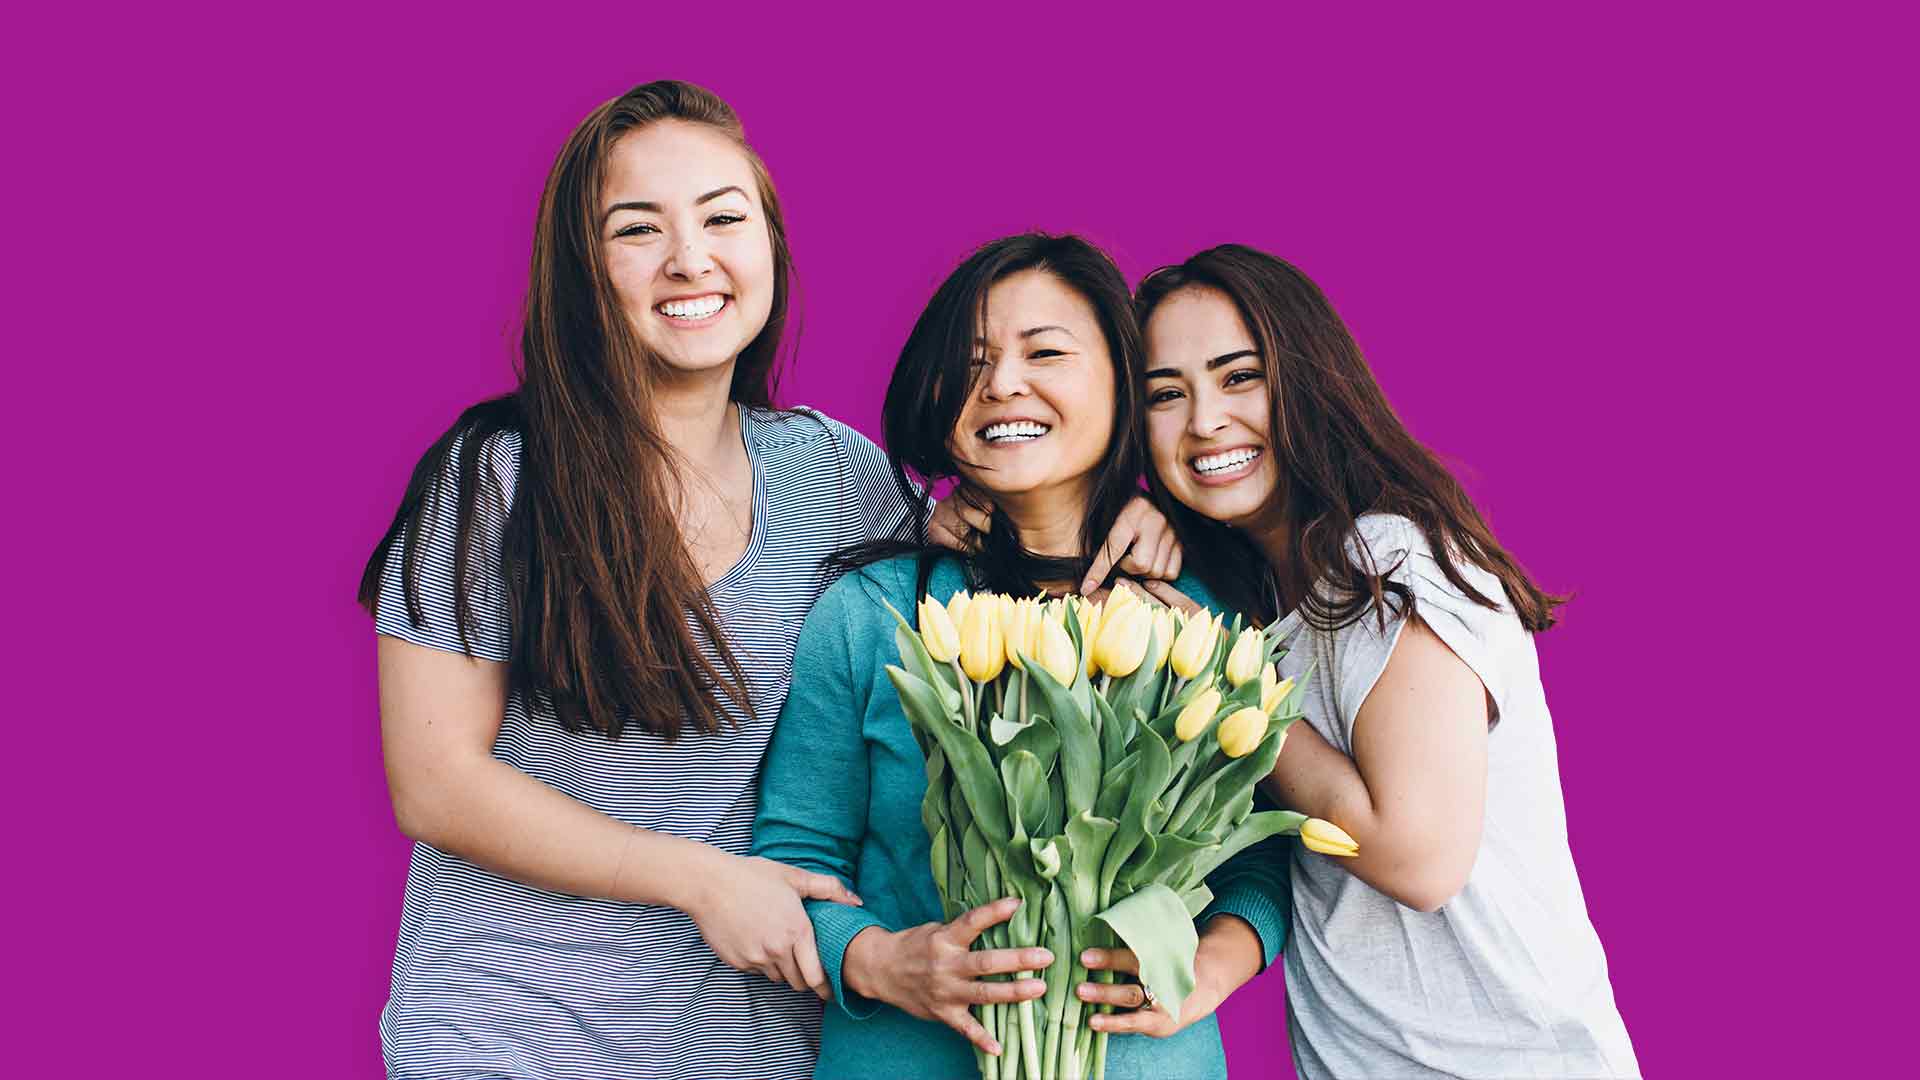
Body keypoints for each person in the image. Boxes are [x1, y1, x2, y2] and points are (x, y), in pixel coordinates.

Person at [361, 83, 1180, 1080]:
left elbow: (1006, 528)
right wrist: (699, 880)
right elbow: (436, 782)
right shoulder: (498, 473)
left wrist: (1143, 510)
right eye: (638, 229)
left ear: (769, 246)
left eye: (722, 217)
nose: (688, 259)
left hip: (747, 1044)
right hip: (510, 1030)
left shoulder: (843, 477)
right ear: (586, 271)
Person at [751, 234, 1291, 1080]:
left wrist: (1206, 974)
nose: (1002, 383)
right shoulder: (875, 612)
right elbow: (793, 863)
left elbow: (1256, 856)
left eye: (1044, 352)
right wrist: (883, 962)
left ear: (1122, 378)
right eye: (971, 363)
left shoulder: (1205, 615)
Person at [1134, 244, 1640, 1078]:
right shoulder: (1267, 606)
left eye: (1239, 377)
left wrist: (1221, 679)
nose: (1203, 421)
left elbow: (1416, 858)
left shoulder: (1389, 560)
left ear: (1309, 379)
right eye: (1165, 394)